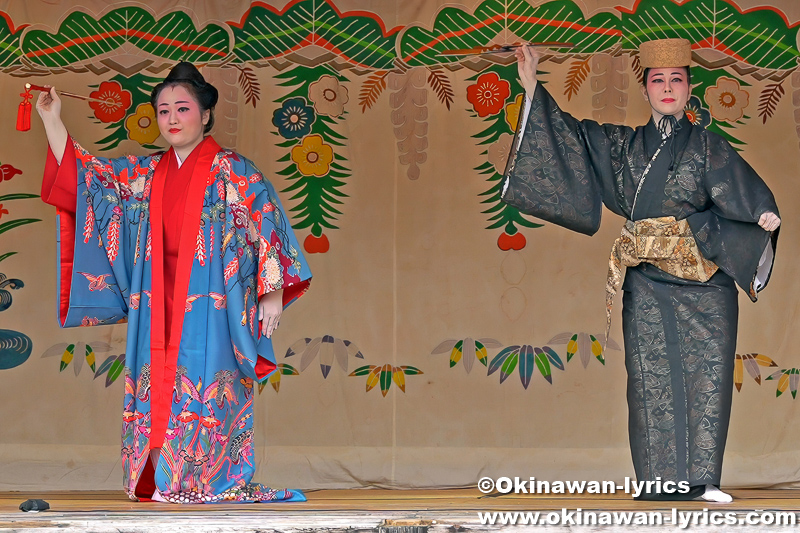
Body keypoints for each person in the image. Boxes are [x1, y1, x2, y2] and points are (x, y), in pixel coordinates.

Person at [502, 39, 780, 503]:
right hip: (648, 282)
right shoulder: (624, 146)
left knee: (706, 378)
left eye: (676, 80)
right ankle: (658, 482)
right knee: (650, 381)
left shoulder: (709, 146)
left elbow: (745, 194)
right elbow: (572, 136)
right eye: (658, 80)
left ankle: (702, 481)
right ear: (646, 90)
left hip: (705, 283)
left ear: (690, 88)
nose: (667, 88)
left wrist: (762, 217)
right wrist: (532, 84)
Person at [36, 62, 312, 503]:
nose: (172, 119)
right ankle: (160, 478)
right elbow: (88, 179)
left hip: (214, 303)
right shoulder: (145, 173)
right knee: (156, 384)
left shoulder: (233, 169)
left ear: (205, 115)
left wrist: (272, 291)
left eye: (182, 108)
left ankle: (210, 478)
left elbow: (268, 226)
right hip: (157, 302)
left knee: (212, 385)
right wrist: (53, 119)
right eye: (163, 111)